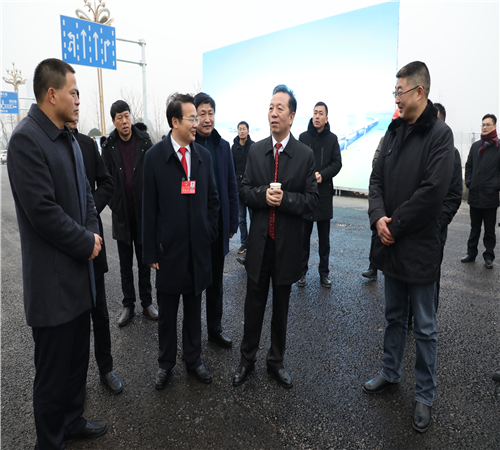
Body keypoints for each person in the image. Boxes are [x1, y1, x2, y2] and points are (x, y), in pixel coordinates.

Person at [7, 58, 107, 448]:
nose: (78, 100)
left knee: (76, 363)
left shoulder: (68, 138)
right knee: (51, 376)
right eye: (73, 92)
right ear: (52, 94)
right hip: (52, 287)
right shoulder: (27, 140)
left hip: (80, 278)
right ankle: (50, 442)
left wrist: (93, 234)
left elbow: (87, 196)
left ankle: (72, 420)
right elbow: (43, 213)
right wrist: (86, 243)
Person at [364, 61, 454, 433]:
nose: (396, 98)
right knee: (393, 316)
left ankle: (424, 395)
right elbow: (376, 179)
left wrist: (394, 225)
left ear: (419, 92)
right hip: (391, 244)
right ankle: (390, 372)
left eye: (399, 91)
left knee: (426, 328)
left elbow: (433, 193)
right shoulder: (394, 131)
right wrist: (378, 218)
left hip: (419, 248)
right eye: (394, 92)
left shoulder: (440, 135)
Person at [232, 85, 319, 389]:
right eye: (270, 107)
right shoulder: (256, 150)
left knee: (281, 310)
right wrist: (262, 195)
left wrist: (285, 200)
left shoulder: (304, 155)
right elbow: (244, 191)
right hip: (259, 245)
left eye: (280, 108)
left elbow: (312, 200)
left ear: (291, 116)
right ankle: (246, 361)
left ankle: (276, 362)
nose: (273, 113)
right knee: (253, 307)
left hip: (286, 246)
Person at [142, 93, 220, 388]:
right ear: (175, 122)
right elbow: (149, 209)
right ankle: (165, 364)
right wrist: (151, 252)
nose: (197, 123)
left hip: (197, 249)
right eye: (192, 118)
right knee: (167, 312)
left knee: (193, 308)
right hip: (169, 250)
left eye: (198, 118)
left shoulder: (203, 156)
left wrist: (208, 232)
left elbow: (213, 201)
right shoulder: (154, 158)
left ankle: (193, 359)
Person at [67, 111, 123, 395]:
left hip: (93, 239)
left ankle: (106, 368)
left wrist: (91, 208)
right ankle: (75, 383)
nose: (76, 107)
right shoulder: (48, 146)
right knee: (73, 321)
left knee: (100, 313)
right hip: (66, 246)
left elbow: (107, 183)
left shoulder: (88, 145)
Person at [101, 100, 158, 326]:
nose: (124, 121)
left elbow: (154, 174)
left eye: (127, 116)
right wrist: (115, 204)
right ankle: (128, 305)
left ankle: (147, 303)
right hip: (122, 215)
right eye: (119, 118)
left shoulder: (144, 141)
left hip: (143, 214)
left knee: (145, 262)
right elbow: (105, 179)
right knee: (125, 264)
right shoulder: (109, 146)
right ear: (114, 121)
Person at [194, 93, 238, 348]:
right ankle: (193, 337)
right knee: (194, 285)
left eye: (211, 113)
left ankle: (215, 329)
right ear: (194, 116)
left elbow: (231, 185)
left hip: (218, 226)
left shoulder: (223, 146)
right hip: (196, 227)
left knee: (216, 283)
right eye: (202, 113)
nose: (207, 119)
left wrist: (232, 222)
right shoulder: (190, 145)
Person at [298, 102, 342, 288]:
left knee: (324, 240)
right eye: (315, 112)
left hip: (323, 194)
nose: (317, 116)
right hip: (306, 194)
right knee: (303, 238)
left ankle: (324, 273)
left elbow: (337, 163)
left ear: (326, 118)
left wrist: (322, 175)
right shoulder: (303, 137)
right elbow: (297, 161)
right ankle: (301, 272)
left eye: (320, 113)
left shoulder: (332, 139)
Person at [461, 114, 499, 269]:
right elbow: (468, 166)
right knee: (474, 228)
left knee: (489, 230)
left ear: (495, 126)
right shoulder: (476, 146)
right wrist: (469, 182)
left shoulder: (498, 147)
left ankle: (489, 256)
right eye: (483, 124)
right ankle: (471, 253)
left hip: (491, 196)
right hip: (475, 194)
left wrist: (495, 185)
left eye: (488, 124)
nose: (484, 127)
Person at [362, 136, 385, 281]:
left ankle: (389, 269)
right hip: (384, 193)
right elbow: (375, 161)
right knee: (376, 232)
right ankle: (373, 267)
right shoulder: (385, 139)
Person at [232, 121, 254, 255]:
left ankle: (253, 242)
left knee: (253, 217)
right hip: (238, 188)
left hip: (251, 187)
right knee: (241, 219)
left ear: (248, 131)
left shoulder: (253, 146)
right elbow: (231, 168)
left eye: (244, 129)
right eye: (240, 129)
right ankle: (244, 243)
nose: (242, 131)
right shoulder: (233, 147)